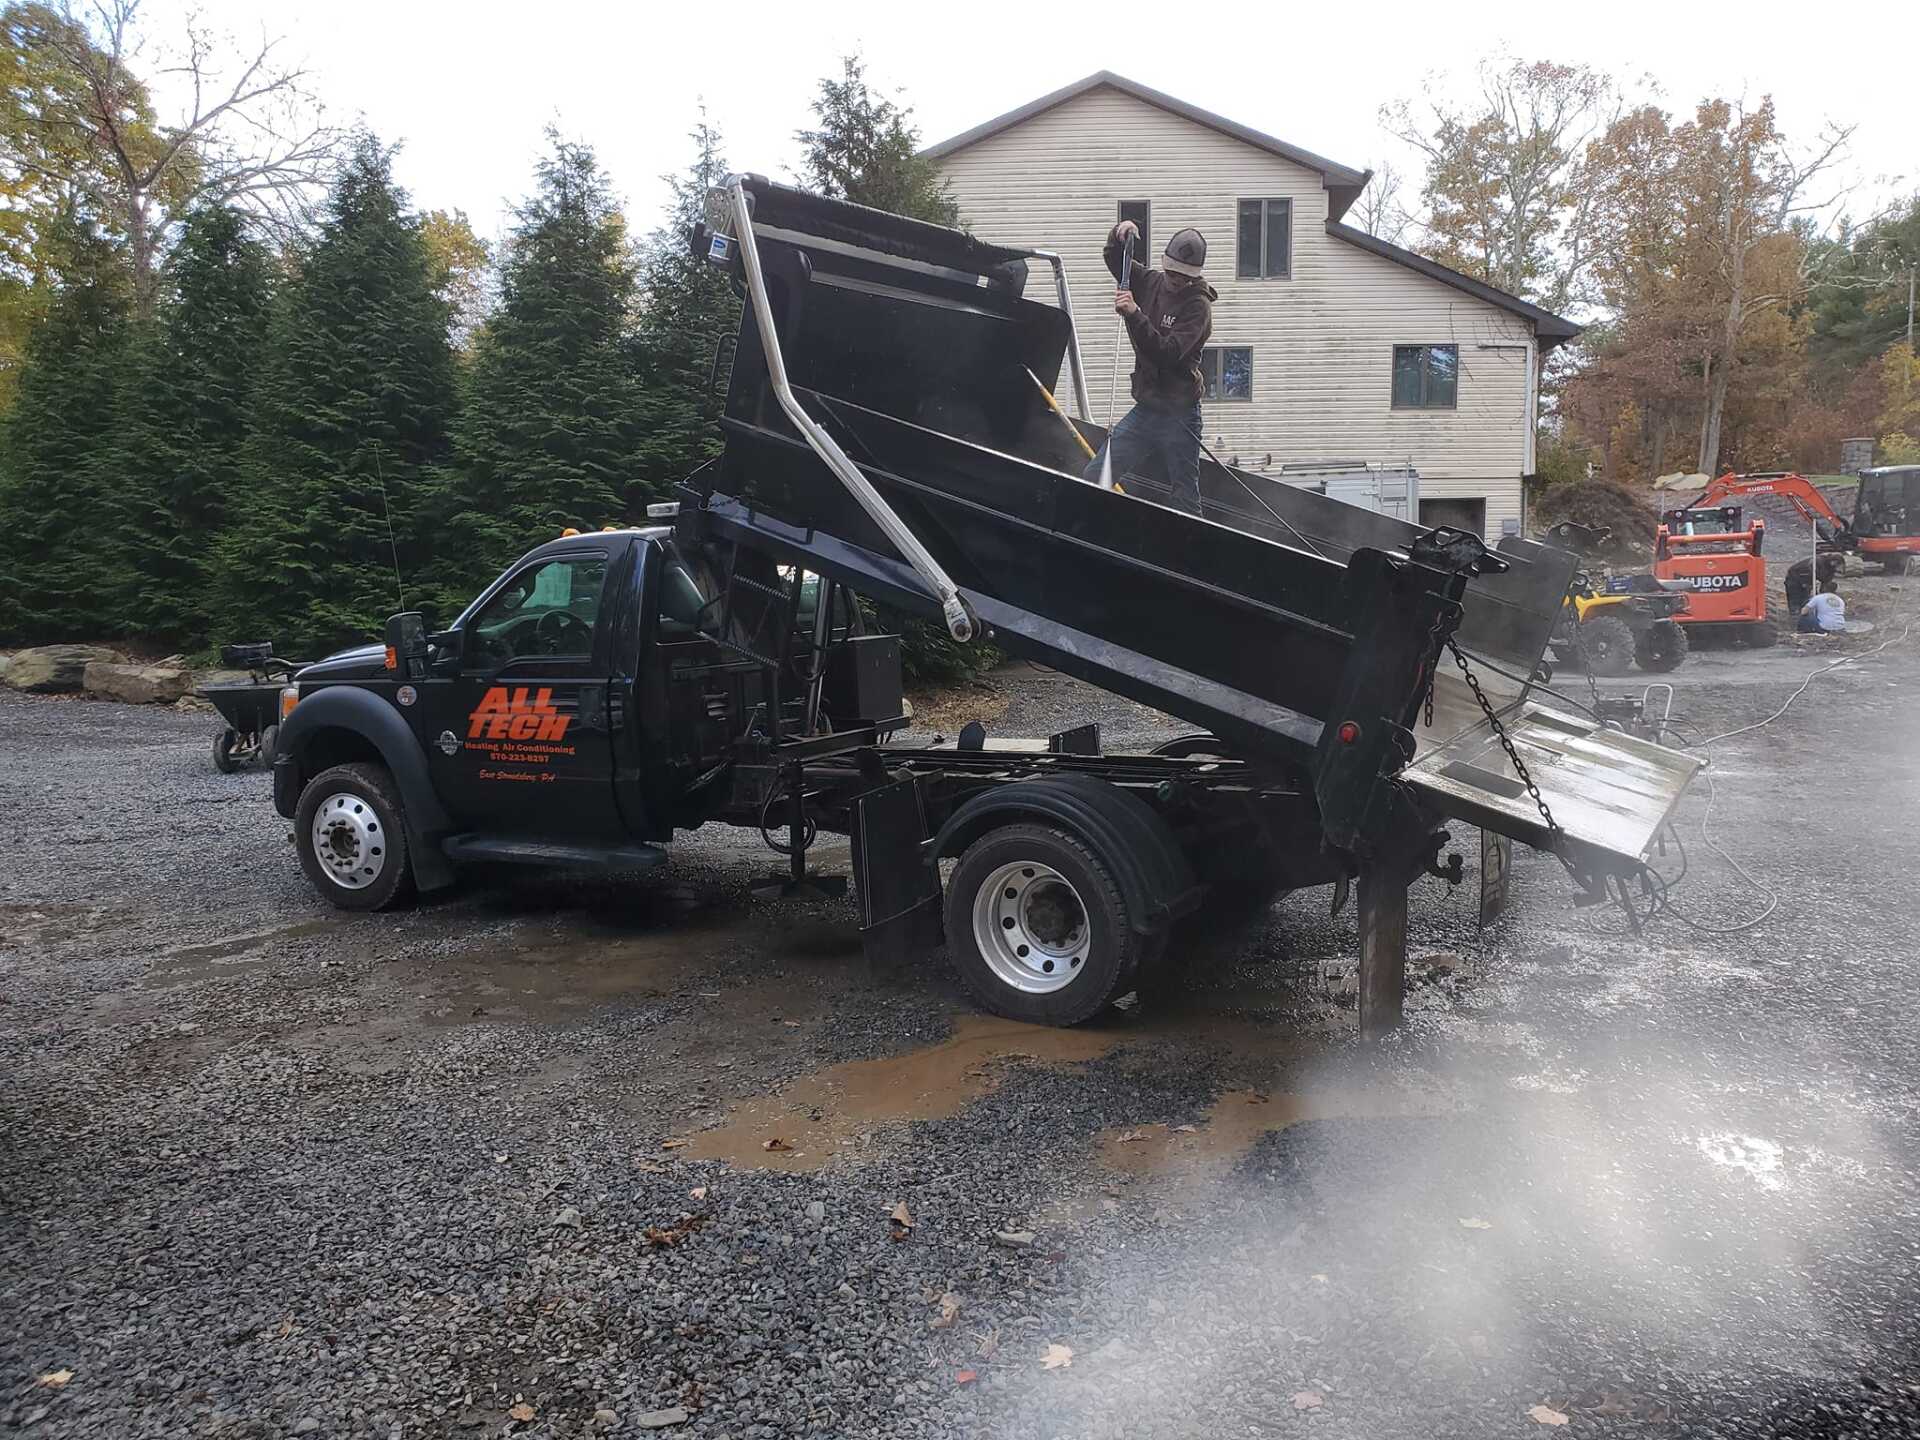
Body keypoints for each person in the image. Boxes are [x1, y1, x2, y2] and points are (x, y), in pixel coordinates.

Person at [1083, 219, 1217, 513]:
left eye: (1183, 277)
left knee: (1184, 496)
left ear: (1194, 277)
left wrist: (1134, 314)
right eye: (1172, 272)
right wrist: (1119, 235)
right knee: (1095, 476)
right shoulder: (1151, 282)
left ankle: (1188, 551)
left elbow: (1167, 353)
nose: (1175, 280)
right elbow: (1116, 260)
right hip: (1147, 408)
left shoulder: (1198, 307)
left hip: (1181, 414)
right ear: (1164, 264)